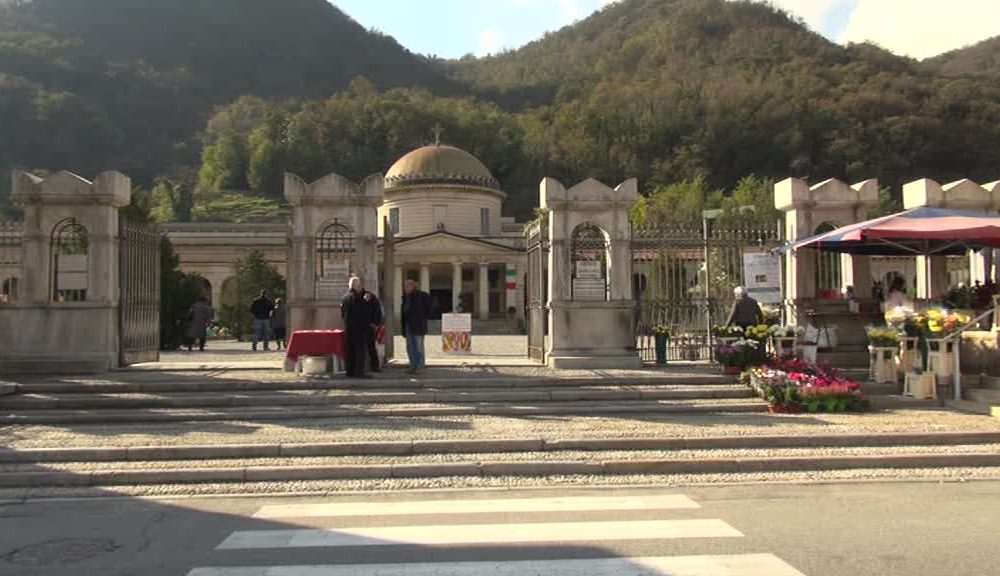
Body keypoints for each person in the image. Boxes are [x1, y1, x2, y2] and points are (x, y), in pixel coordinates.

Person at [341, 276, 373, 378]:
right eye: (359, 285)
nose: (361, 288)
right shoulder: (358, 298)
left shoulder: (345, 298)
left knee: (350, 351)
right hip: (359, 329)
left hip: (348, 328)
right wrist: (366, 302)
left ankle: (350, 372)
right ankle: (359, 372)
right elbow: (363, 313)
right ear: (357, 286)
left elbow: (343, 313)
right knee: (359, 352)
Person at [401, 279, 431, 374]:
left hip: (418, 325)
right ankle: (413, 365)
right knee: (410, 347)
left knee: (418, 347)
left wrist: (422, 318)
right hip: (408, 325)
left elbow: (429, 309)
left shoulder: (423, 295)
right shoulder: (406, 297)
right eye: (404, 286)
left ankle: (420, 366)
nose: (405, 288)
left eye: (406, 286)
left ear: (412, 286)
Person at [363, 287, 384, 373]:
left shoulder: (372, 297)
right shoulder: (357, 297)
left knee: (371, 347)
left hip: (369, 326)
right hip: (362, 326)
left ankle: (374, 366)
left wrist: (375, 324)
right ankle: (366, 366)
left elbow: (377, 311)